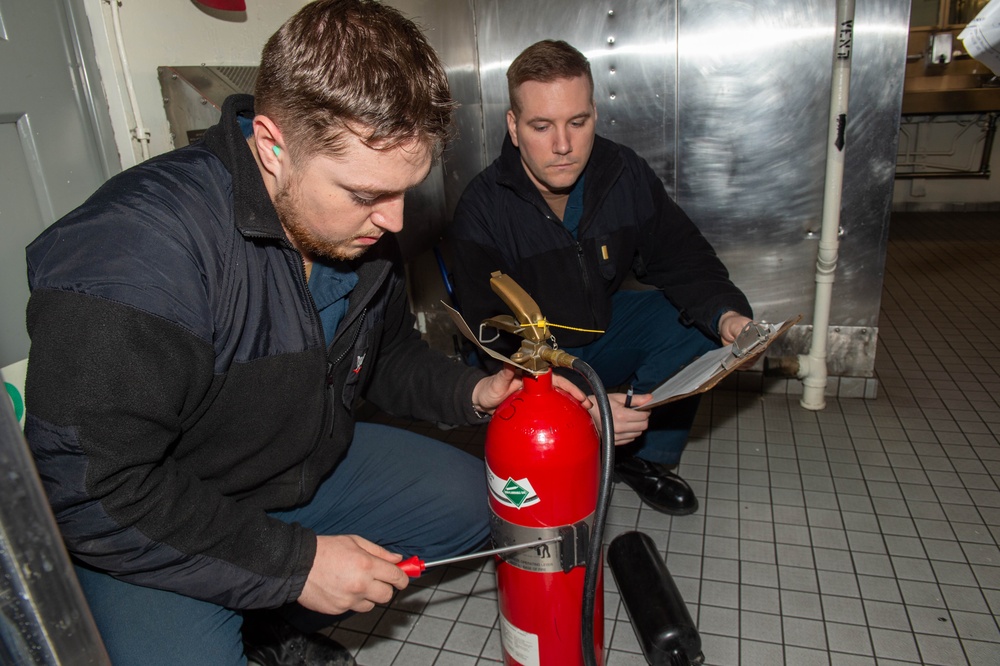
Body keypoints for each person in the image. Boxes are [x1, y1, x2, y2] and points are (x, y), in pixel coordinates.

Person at [21, 5, 588, 665]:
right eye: (366, 194)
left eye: (407, 189)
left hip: (295, 464)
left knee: (474, 502)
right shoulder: (133, 255)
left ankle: (261, 611)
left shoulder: (356, 229)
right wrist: (297, 564)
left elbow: (385, 354)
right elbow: (89, 489)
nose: (395, 219)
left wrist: (477, 391)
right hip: (157, 507)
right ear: (272, 145)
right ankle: (248, 598)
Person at [447, 39, 754, 517]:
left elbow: (681, 254)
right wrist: (584, 405)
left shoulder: (622, 174)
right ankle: (594, 434)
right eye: (541, 126)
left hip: (600, 331)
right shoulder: (481, 211)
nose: (563, 145)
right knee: (550, 458)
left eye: (577, 122)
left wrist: (728, 314)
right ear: (513, 127)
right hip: (530, 363)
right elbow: (492, 341)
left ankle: (638, 457)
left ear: (595, 114)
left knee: (693, 322)